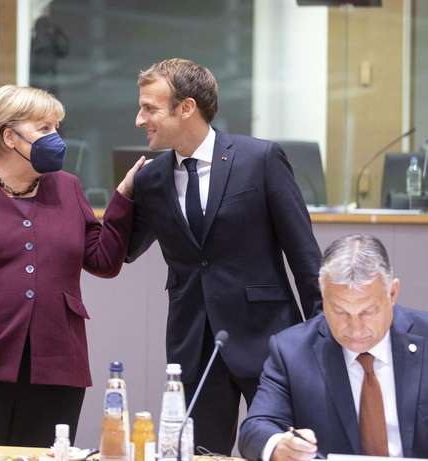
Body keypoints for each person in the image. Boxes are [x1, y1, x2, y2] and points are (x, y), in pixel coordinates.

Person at [0, 84, 145, 447]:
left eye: (57, 128)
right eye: (45, 128)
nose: (58, 139)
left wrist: (123, 197)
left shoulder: (68, 187)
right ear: (8, 136)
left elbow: (103, 261)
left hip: (57, 364)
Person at [126, 58, 322, 454]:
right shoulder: (150, 179)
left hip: (268, 337)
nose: (139, 119)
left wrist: (321, 335)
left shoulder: (261, 160)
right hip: (195, 346)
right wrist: (121, 197)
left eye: (150, 108)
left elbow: (304, 256)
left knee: (282, 451)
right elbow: (125, 251)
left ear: (186, 108)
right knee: (198, 454)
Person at [239, 234, 428, 460]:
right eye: (340, 311)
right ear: (323, 296)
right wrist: (280, 445)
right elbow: (256, 428)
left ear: (392, 293)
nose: (355, 329)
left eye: (368, 311)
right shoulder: (291, 351)